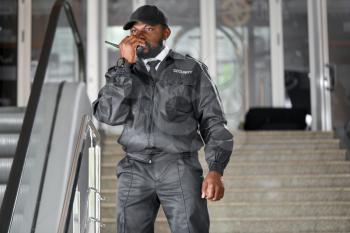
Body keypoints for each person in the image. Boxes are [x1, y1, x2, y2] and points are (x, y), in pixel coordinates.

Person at [92, 5, 233, 233]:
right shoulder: (122, 71)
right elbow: (107, 114)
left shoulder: (191, 69)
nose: (139, 35)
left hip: (179, 166)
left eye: (148, 28)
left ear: (166, 33)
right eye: (135, 30)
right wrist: (123, 67)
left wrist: (216, 169)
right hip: (134, 168)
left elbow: (214, 122)